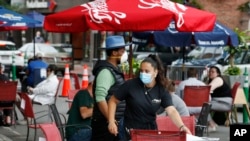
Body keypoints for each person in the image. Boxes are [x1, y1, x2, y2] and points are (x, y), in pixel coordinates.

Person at [108, 54, 192, 141]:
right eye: (141, 71)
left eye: (147, 71)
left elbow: (171, 110)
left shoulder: (161, 89)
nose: (143, 74)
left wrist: (182, 126)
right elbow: (113, 100)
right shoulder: (130, 85)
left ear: (155, 72)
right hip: (130, 130)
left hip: (150, 131)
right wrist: (111, 121)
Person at [91, 35, 129, 141]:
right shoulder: (106, 72)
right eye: (122, 51)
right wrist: (111, 120)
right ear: (114, 53)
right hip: (105, 126)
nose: (125, 54)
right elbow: (100, 98)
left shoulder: (114, 70)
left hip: (113, 123)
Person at [65, 74, 95, 141]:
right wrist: (100, 108)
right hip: (77, 131)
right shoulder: (83, 94)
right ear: (93, 82)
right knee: (101, 133)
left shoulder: (94, 97)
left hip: (84, 130)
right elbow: (84, 114)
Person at [207, 66, 232, 131]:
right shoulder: (213, 80)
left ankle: (212, 124)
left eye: (213, 72)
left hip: (224, 103)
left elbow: (208, 89)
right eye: (209, 71)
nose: (210, 73)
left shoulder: (218, 79)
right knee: (203, 105)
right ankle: (212, 123)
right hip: (220, 102)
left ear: (218, 73)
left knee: (202, 106)